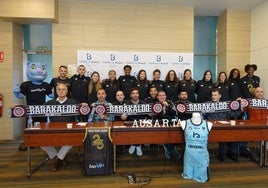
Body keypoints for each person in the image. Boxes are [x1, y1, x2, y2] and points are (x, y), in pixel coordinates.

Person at [13, 61, 53, 151]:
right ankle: (29, 142)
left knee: (42, 126)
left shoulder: (46, 85)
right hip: (30, 110)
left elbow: (51, 95)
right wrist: (16, 92)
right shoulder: (26, 85)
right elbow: (21, 96)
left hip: (42, 110)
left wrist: (60, 92)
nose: (39, 71)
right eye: (35, 68)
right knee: (30, 127)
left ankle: (42, 141)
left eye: (42, 68)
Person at [40, 83, 77, 172]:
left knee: (71, 141)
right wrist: (18, 108)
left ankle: (56, 161)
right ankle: (59, 157)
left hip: (68, 131)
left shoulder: (73, 102)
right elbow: (35, 110)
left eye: (63, 89)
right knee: (40, 141)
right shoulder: (49, 103)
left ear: (67, 91)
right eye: (59, 89)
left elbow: (82, 112)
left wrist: (84, 106)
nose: (61, 91)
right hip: (53, 131)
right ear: (56, 91)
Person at [205, 88, 241, 162]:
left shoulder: (225, 105)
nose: (213, 97)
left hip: (223, 127)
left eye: (215, 95)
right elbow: (201, 114)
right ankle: (221, 153)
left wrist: (239, 106)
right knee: (220, 133)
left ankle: (231, 152)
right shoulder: (207, 104)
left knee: (237, 134)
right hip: (210, 127)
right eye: (212, 95)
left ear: (220, 96)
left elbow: (233, 115)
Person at [181, 112, 212, 183]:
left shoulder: (208, 124)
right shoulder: (184, 123)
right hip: (189, 156)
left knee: (202, 165)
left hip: (202, 156)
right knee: (188, 174)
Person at [152, 90, 180, 159]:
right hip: (160, 123)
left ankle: (168, 148)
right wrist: (161, 109)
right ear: (157, 97)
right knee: (164, 134)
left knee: (171, 134)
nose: (162, 97)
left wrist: (168, 106)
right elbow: (154, 116)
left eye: (163, 95)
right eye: (160, 95)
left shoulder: (170, 102)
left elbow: (175, 113)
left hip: (170, 122)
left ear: (165, 96)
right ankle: (172, 149)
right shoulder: (155, 104)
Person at [126, 88, 146, 156]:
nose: (135, 95)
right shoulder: (126, 103)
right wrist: (123, 116)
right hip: (130, 123)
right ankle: (135, 144)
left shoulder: (143, 103)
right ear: (130, 95)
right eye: (133, 93)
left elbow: (147, 114)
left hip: (140, 123)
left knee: (140, 129)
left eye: (136, 93)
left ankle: (136, 145)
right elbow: (123, 114)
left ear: (138, 95)